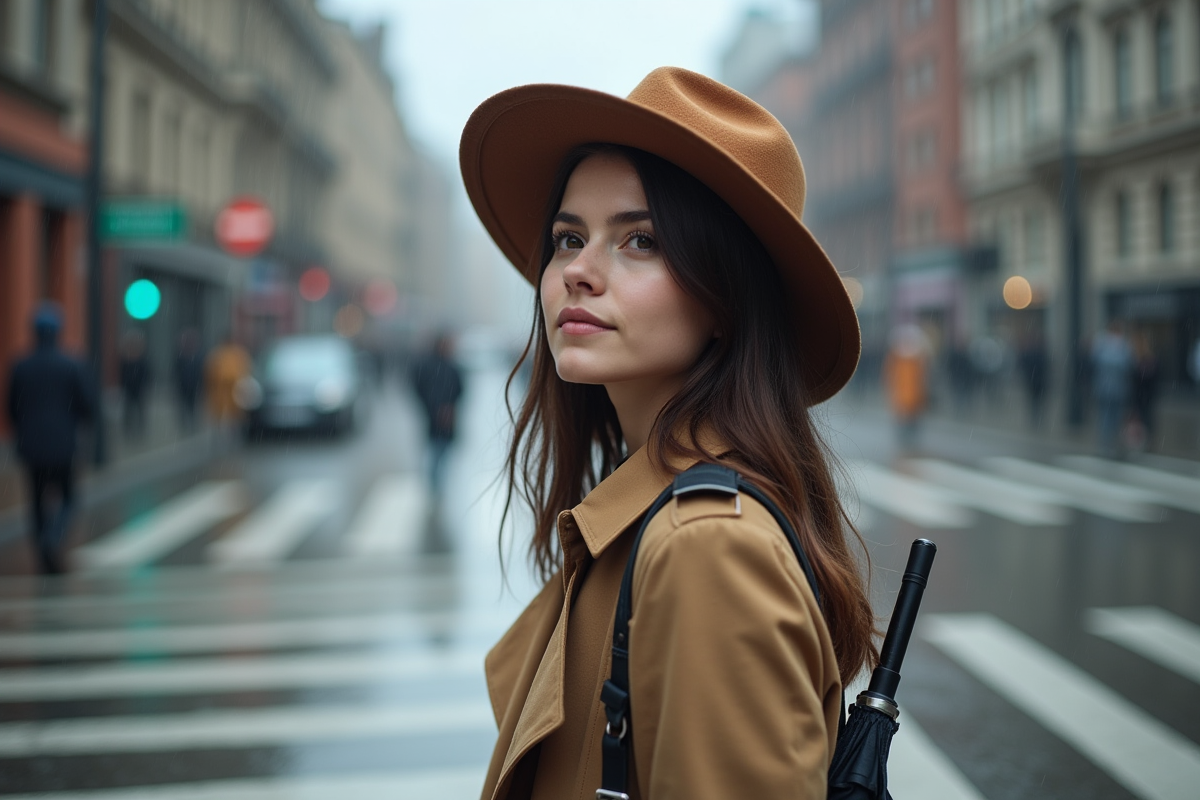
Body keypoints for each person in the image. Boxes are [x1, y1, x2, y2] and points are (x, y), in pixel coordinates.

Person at [460, 67, 875, 799]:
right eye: (567, 237)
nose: (577, 272)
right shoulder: (650, 519)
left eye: (640, 239)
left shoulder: (709, 548)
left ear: (726, 297)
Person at [5, 304, 94, 574]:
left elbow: (11, 407)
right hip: (63, 444)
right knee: (68, 498)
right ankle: (53, 536)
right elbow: (86, 404)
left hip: (31, 445)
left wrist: (22, 430)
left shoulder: (21, 365)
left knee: (36, 500)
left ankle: (43, 544)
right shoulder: (71, 364)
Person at [408, 332, 463, 497]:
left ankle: (435, 485)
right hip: (435, 417)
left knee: (439, 453)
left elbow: (460, 389)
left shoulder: (448, 366)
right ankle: (434, 487)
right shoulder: (436, 366)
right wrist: (434, 407)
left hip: (442, 418)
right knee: (437, 454)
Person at [1091, 320, 1133, 457]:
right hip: (1109, 388)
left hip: (1113, 388)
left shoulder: (1116, 345)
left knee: (1113, 417)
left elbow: (1128, 364)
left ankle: (1110, 444)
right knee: (1108, 416)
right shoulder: (1109, 344)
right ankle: (1107, 444)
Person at [884, 324, 929, 449]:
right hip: (908, 395)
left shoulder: (899, 357)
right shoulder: (914, 358)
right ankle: (908, 439)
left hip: (907, 395)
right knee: (909, 420)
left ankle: (907, 439)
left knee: (907, 419)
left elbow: (889, 376)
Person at [204, 334, 251, 433]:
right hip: (221, 391)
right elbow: (211, 374)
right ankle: (225, 430)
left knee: (234, 414)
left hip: (233, 390)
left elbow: (244, 372)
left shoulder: (236, 354)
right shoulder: (220, 355)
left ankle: (233, 430)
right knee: (222, 413)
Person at [118, 329, 152, 438]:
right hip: (128, 389)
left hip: (138, 389)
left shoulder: (142, 360)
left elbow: (146, 375)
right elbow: (121, 374)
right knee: (128, 411)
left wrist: (143, 386)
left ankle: (139, 431)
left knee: (139, 411)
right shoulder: (125, 359)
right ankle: (128, 431)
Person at [1129, 331, 1159, 450]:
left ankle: (1144, 441)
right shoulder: (1139, 359)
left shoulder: (1145, 360)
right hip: (1142, 395)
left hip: (1143, 395)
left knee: (1144, 418)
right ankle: (1143, 441)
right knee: (1143, 418)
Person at [173, 329, 205, 433]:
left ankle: (191, 424)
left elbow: (201, 372)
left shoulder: (198, 357)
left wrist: (200, 385)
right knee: (183, 406)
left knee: (192, 406)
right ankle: (185, 425)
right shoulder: (180, 356)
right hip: (183, 386)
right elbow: (176, 372)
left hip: (193, 386)